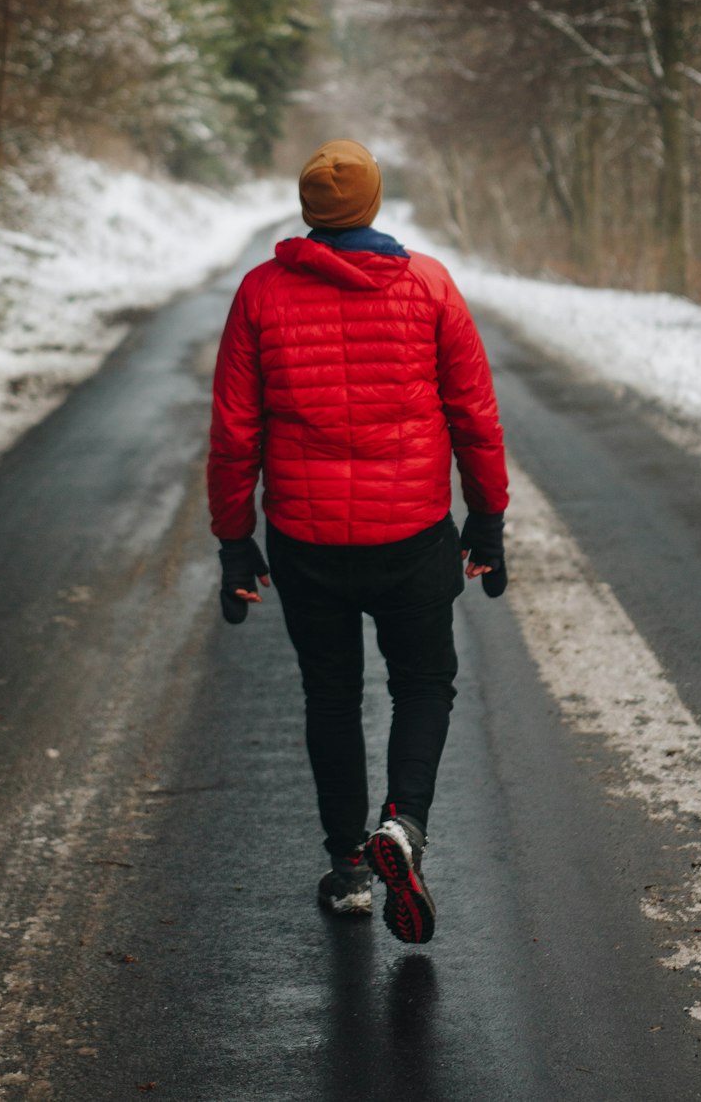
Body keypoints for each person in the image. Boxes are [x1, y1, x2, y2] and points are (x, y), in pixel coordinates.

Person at [207, 138, 508, 944]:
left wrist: (236, 541)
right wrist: (487, 521)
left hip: (306, 543)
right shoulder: (428, 285)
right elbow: (474, 415)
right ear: (372, 205)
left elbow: (235, 433)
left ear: (309, 211)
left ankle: (349, 870)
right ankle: (403, 825)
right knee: (423, 685)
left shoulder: (262, 294)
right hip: (411, 535)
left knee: (332, 697)